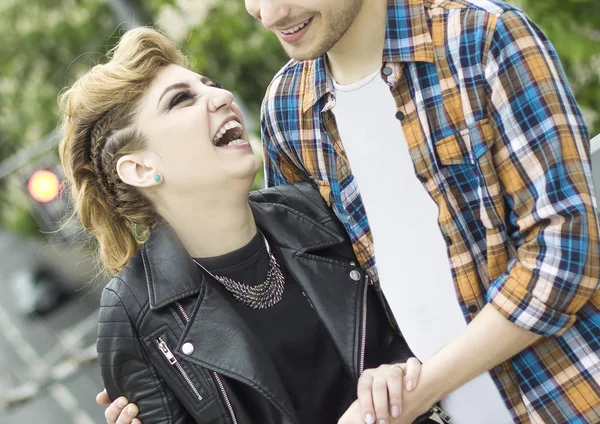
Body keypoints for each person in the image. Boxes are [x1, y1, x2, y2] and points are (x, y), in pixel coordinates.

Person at [102, 0, 600, 423]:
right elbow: (342, 315)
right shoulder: (288, 110)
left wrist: (421, 387)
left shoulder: (479, 38)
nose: (269, 14)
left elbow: (566, 254)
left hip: (570, 400)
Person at [59, 27, 440, 424]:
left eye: (212, 86)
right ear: (140, 168)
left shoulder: (311, 212)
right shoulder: (135, 315)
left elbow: (415, 325)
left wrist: (398, 372)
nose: (222, 97)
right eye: (182, 100)